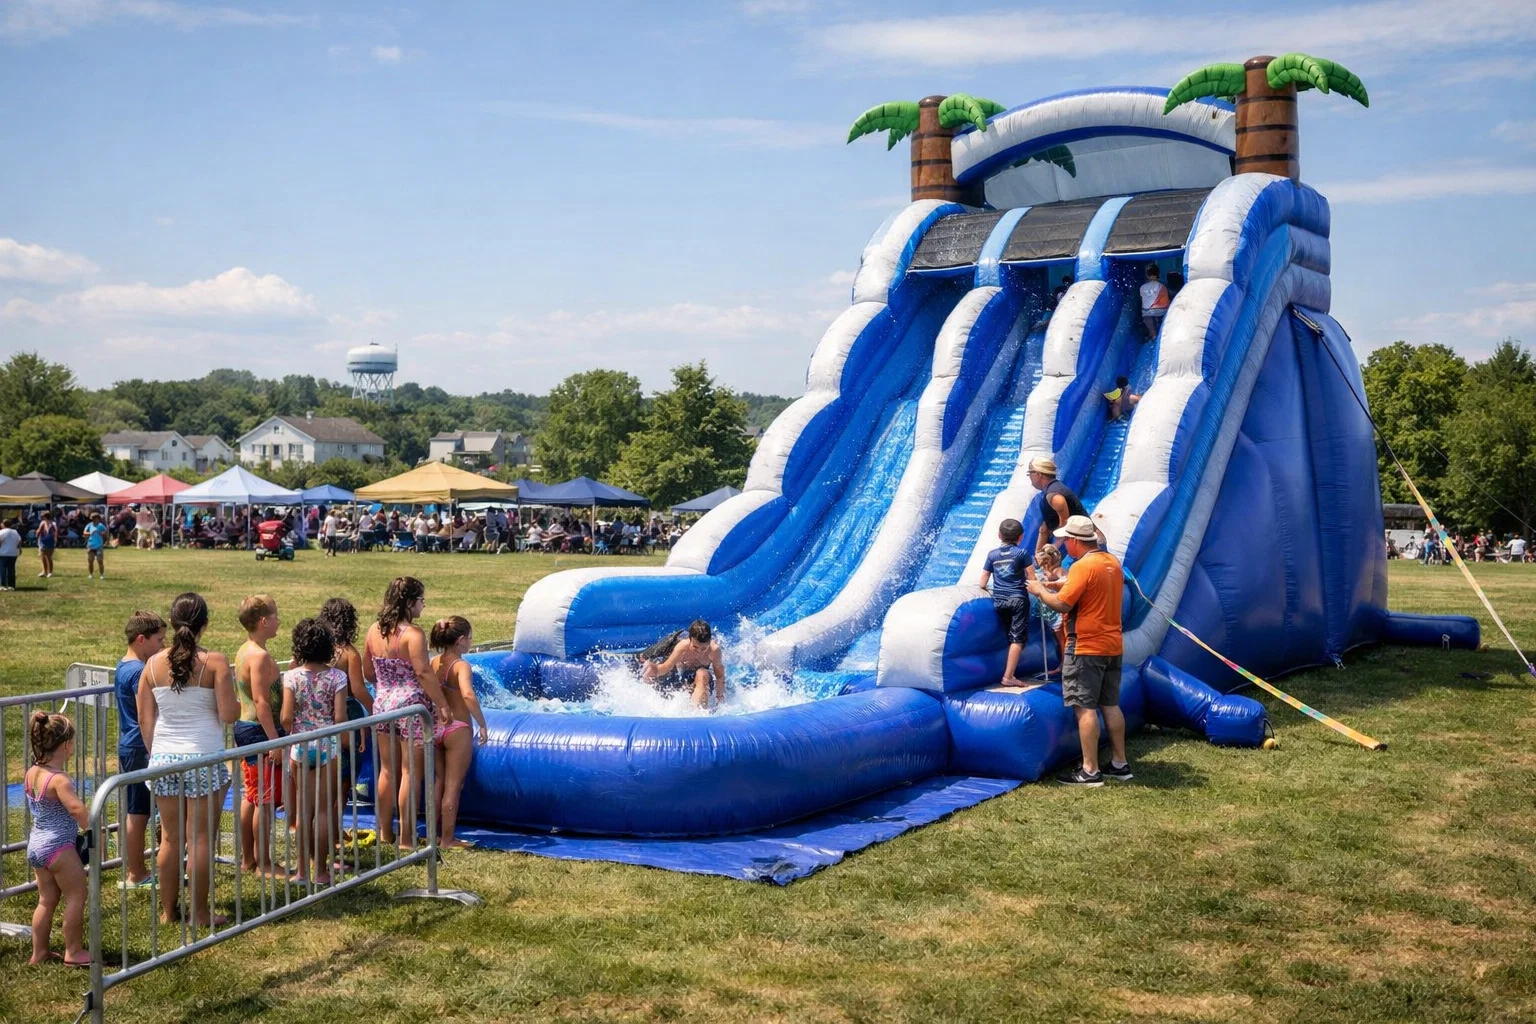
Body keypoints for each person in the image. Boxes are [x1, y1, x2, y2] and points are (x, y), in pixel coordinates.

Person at [138, 592, 239, 927]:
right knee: (199, 840)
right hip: (204, 757)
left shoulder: (151, 665)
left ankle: (168, 913)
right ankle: (198, 913)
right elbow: (228, 714)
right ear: (205, 624)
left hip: (165, 758)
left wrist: (158, 752)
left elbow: (145, 720)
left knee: (169, 839)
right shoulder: (216, 662)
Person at [1026, 515, 1131, 787]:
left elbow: (1061, 605)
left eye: (1065, 540)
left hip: (1085, 646)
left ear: (1075, 541)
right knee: (1110, 704)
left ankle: (1090, 770)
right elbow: (1090, 589)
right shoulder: (1111, 562)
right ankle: (1120, 764)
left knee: (1084, 708)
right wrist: (1058, 584)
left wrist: (1039, 590)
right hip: (1112, 644)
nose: (1063, 544)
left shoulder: (1082, 566)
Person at [363, 577, 452, 847]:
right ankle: (406, 837)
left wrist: (388, 687)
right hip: (411, 706)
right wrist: (442, 703)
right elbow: (424, 673)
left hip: (383, 704)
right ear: (410, 603)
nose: (423, 606)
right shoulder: (413, 635)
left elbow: (368, 672)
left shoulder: (373, 631)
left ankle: (384, 832)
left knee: (387, 771)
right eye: (422, 600)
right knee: (410, 772)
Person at [280, 619, 349, 885]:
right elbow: (340, 717)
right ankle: (320, 871)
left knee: (303, 812)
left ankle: (300, 871)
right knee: (322, 810)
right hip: (327, 744)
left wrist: (295, 726)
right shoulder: (337, 677)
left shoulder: (292, 676)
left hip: (300, 745)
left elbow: (286, 716)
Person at [24, 711, 91, 967]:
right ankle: (73, 951)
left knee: (46, 899)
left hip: (37, 845)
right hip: (59, 848)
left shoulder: (33, 772)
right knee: (76, 895)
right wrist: (94, 831)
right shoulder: (59, 779)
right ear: (66, 745)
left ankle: (38, 952)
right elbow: (76, 809)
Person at [233, 595, 284, 878]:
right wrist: (275, 739)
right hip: (258, 730)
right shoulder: (260, 656)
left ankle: (248, 859)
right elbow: (262, 702)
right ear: (263, 621)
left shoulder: (245, 649)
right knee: (264, 801)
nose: (279, 621)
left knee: (251, 797)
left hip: (247, 728)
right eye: (276, 616)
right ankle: (264, 862)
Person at [115, 610, 166, 889]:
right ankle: (136, 873)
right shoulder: (137, 671)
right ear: (141, 639)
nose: (163, 645)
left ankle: (144, 869)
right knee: (138, 811)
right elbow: (147, 710)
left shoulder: (125, 665)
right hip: (140, 745)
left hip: (133, 743)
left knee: (142, 809)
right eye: (159, 640)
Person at [430, 616, 489, 849]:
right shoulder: (461, 665)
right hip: (458, 728)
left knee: (438, 782)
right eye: (470, 637)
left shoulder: (434, 663)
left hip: (436, 727)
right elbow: (467, 695)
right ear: (461, 641)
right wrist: (482, 723)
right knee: (454, 786)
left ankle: (432, 833)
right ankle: (447, 839)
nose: (471, 641)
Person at [979, 519, 1035, 687]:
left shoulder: (992, 555)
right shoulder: (1022, 553)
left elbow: (983, 580)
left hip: (1000, 601)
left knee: (1007, 636)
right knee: (1017, 639)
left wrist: (986, 589)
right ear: (1021, 537)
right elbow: (1032, 578)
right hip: (1018, 600)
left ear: (999, 535)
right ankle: (1008, 676)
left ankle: (1004, 670)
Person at [638, 619, 726, 708]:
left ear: (709, 641)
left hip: (701, 682)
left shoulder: (714, 650)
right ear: (690, 639)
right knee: (658, 664)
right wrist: (655, 669)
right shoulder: (682, 646)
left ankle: (698, 713)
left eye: (704, 648)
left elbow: (720, 676)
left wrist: (719, 697)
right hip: (681, 677)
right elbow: (666, 667)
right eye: (695, 647)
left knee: (702, 673)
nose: (699, 651)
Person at [1027, 457, 1087, 556]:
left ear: (1038, 474)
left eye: (1030, 474)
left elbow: (1066, 525)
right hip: (1077, 543)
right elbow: (1045, 527)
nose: (1029, 477)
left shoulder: (1054, 496)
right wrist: (1038, 553)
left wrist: (1054, 547)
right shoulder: (1050, 492)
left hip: (1083, 545)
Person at [1140, 263, 1170, 340]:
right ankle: (1162, 328)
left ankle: (1153, 334)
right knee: (1162, 315)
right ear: (1158, 274)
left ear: (1147, 275)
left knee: (1147, 317)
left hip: (1147, 312)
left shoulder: (1142, 287)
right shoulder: (1162, 286)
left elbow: (1143, 298)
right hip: (1162, 310)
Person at [83, 513, 107, 580]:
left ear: (98, 519)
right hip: (90, 545)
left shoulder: (101, 525)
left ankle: (102, 575)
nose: (94, 520)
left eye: (96, 518)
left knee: (100, 561)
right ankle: (91, 574)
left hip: (99, 546)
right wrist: (90, 533)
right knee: (90, 561)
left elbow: (105, 532)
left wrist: (102, 533)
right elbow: (84, 533)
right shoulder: (89, 525)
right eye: (93, 518)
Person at [0, 517, 20, 591]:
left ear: (3, 524)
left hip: (3, 553)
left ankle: (3, 585)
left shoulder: (1, 532)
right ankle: (11, 585)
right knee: (11, 569)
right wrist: (18, 549)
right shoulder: (15, 532)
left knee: (2, 569)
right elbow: (19, 541)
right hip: (13, 553)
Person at [35, 510, 57, 578]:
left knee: (46, 558)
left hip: (46, 542)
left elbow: (38, 532)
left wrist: (37, 534)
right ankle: (47, 572)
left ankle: (47, 572)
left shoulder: (46, 523)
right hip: (47, 542)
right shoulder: (52, 523)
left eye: (42, 517)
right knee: (46, 558)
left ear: (45, 517)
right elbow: (55, 533)